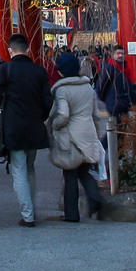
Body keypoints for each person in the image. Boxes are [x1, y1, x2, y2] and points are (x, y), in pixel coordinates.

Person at [0, 32, 54, 227]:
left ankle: (28, 214)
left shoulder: (5, 70)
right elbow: (48, 100)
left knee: (19, 170)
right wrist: (40, 117)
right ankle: (32, 210)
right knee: (30, 167)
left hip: (13, 126)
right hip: (34, 125)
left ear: (10, 50)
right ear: (28, 49)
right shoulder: (39, 71)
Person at [48, 51, 111, 222]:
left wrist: (53, 125)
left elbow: (63, 115)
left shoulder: (62, 90)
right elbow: (95, 113)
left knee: (70, 175)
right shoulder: (87, 87)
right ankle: (96, 198)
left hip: (70, 137)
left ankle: (72, 214)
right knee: (84, 172)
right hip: (87, 132)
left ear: (61, 71)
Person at [95, 49, 136, 122]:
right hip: (114, 103)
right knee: (117, 126)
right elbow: (101, 85)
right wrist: (107, 99)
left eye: (122, 53)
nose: (120, 55)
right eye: (118, 53)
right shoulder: (109, 68)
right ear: (113, 55)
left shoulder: (126, 68)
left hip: (125, 103)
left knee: (121, 127)